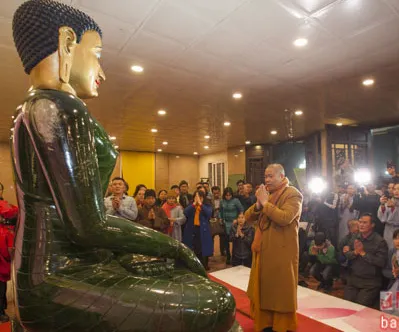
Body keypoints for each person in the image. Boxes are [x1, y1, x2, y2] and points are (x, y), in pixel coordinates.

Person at [9, 1, 235, 330]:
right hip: (63, 275)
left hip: (44, 270)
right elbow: (89, 225)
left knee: (170, 272)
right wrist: (175, 246)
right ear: (67, 42)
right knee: (218, 300)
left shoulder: (28, 108)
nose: (101, 72)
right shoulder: (58, 106)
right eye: (97, 54)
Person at [245, 164, 303, 332]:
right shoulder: (268, 195)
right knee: (264, 288)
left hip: (281, 251)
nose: (267, 180)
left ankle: (281, 325)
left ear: (281, 176)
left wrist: (265, 203)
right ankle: (266, 323)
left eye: (271, 176)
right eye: (265, 177)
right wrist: (258, 204)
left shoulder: (293, 194)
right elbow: (248, 217)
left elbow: (285, 218)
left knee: (280, 291)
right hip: (263, 249)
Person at [343, 213, 388, 308]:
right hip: (353, 279)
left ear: (372, 225)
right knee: (347, 306)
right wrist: (355, 252)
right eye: (360, 222)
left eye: (365, 222)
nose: (361, 225)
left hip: (370, 283)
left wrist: (363, 253)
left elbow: (381, 262)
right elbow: (347, 253)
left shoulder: (379, 241)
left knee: (359, 308)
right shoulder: (355, 236)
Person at [183, 190, 213, 270]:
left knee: (202, 249)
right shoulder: (191, 206)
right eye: (196, 197)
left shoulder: (207, 205)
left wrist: (201, 204)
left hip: (202, 231)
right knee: (192, 248)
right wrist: (193, 204)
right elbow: (185, 212)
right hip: (192, 230)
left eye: (200, 197)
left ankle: (203, 266)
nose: (198, 199)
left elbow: (209, 213)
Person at [378, 183, 399, 250]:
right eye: (394, 189)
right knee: (388, 250)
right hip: (388, 230)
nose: (396, 191)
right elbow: (382, 218)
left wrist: (393, 207)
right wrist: (382, 205)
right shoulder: (389, 200)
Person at [220, 187, 243, 265]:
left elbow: (241, 210)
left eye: (229, 195)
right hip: (225, 224)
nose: (228, 197)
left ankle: (234, 256)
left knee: (234, 240)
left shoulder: (236, 201)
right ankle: (228, 256)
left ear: (232, 195)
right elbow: (220, 211)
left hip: (234, 224)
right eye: (226, 195)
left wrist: (237, 219)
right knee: (226, 241)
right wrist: (220, 218)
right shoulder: (222, 201)